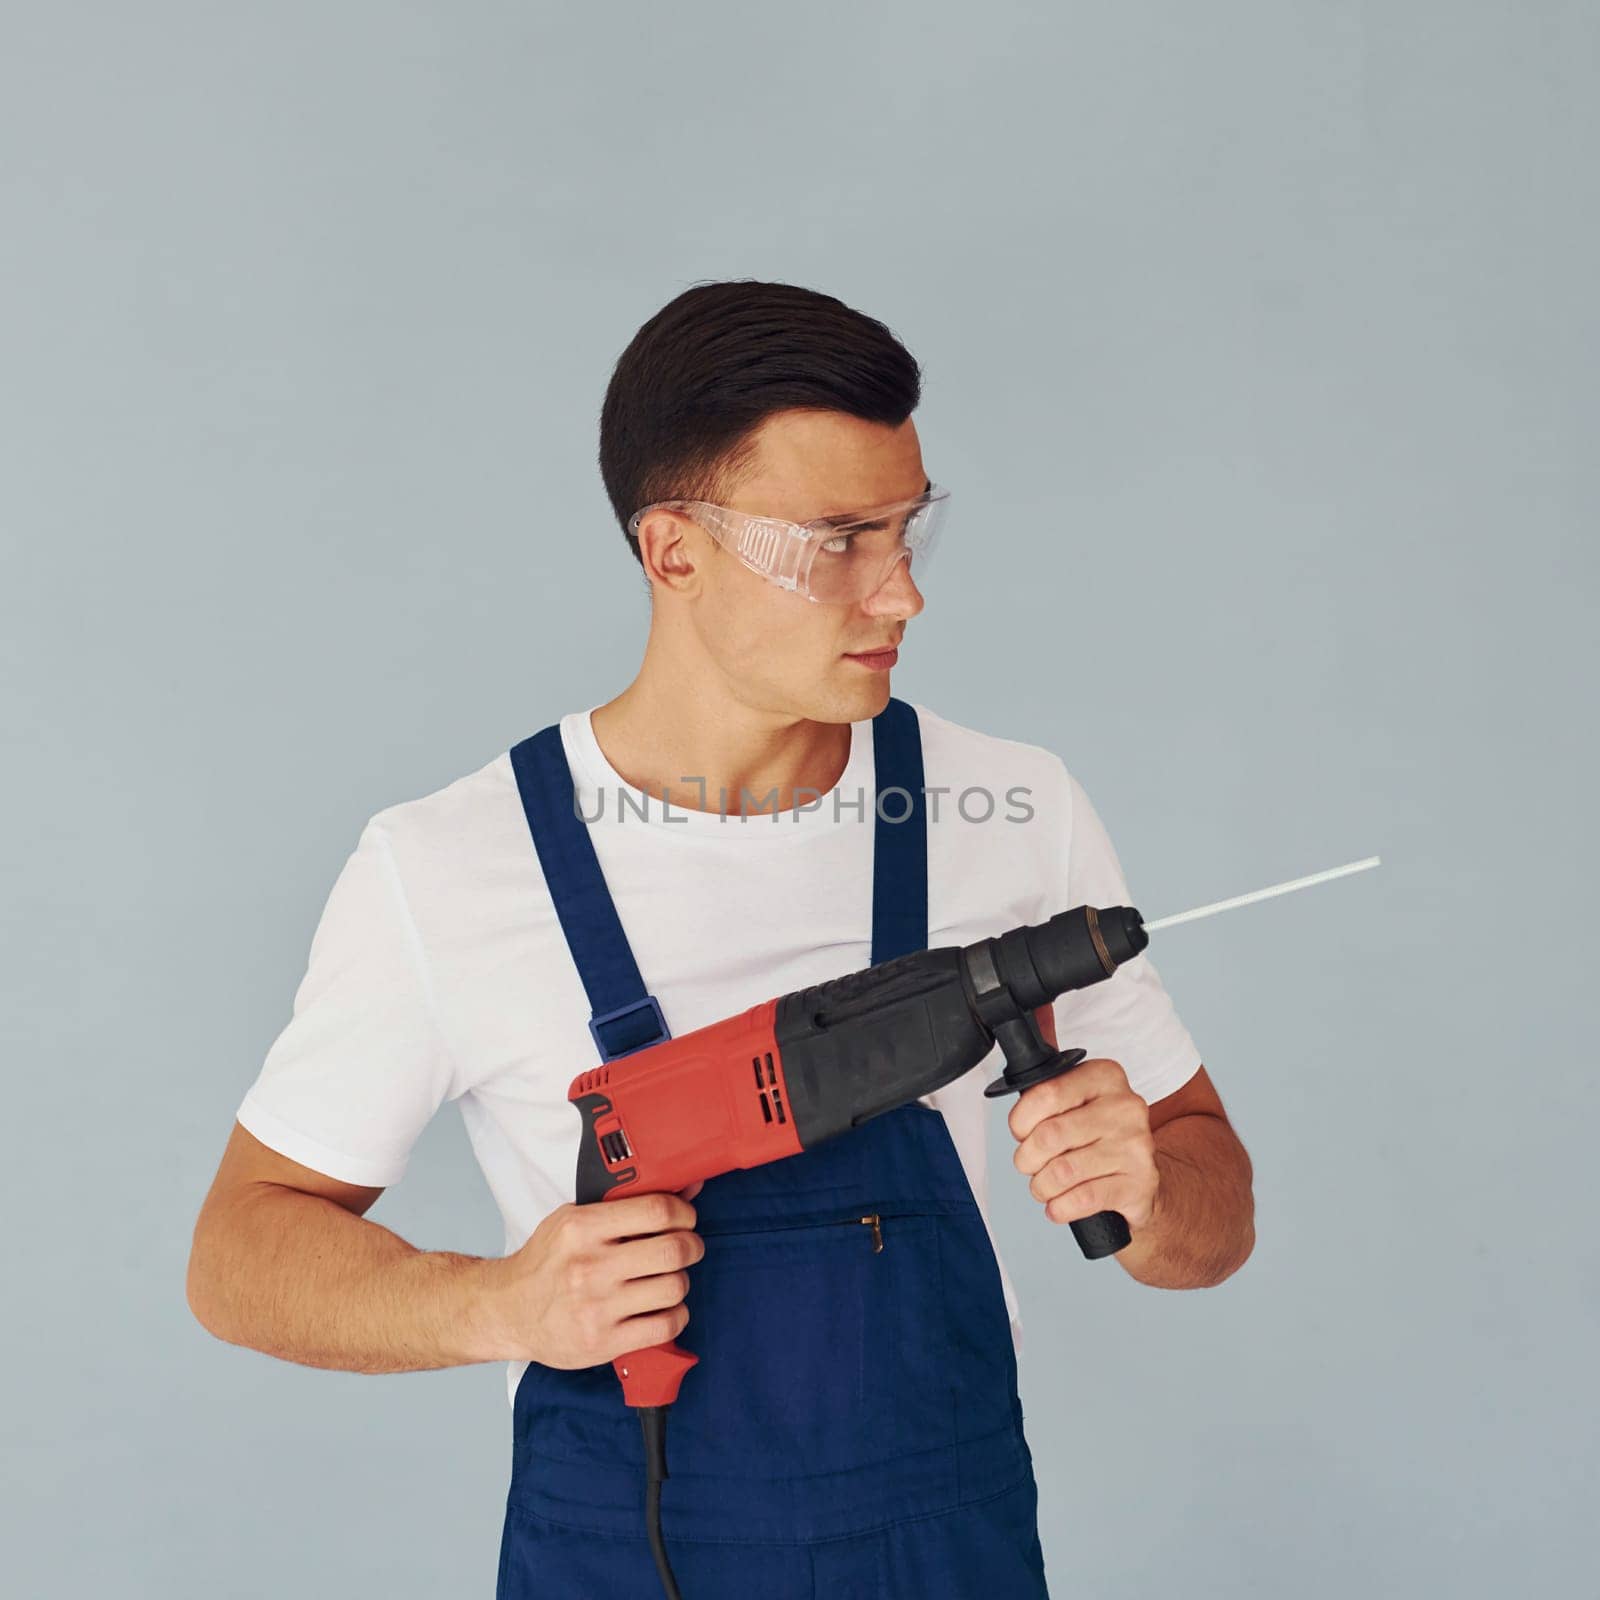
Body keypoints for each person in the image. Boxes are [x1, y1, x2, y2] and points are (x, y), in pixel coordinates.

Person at [186, 278, 1255, 1598]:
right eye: (839, 540)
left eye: (910, 529)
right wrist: (497, 1306)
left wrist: (1150, 1191)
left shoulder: (1016, 811)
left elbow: (1215, 1218)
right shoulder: (454, 866)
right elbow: (240, 1255)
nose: (904, 593)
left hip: (951, 1551)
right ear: (675, 552)